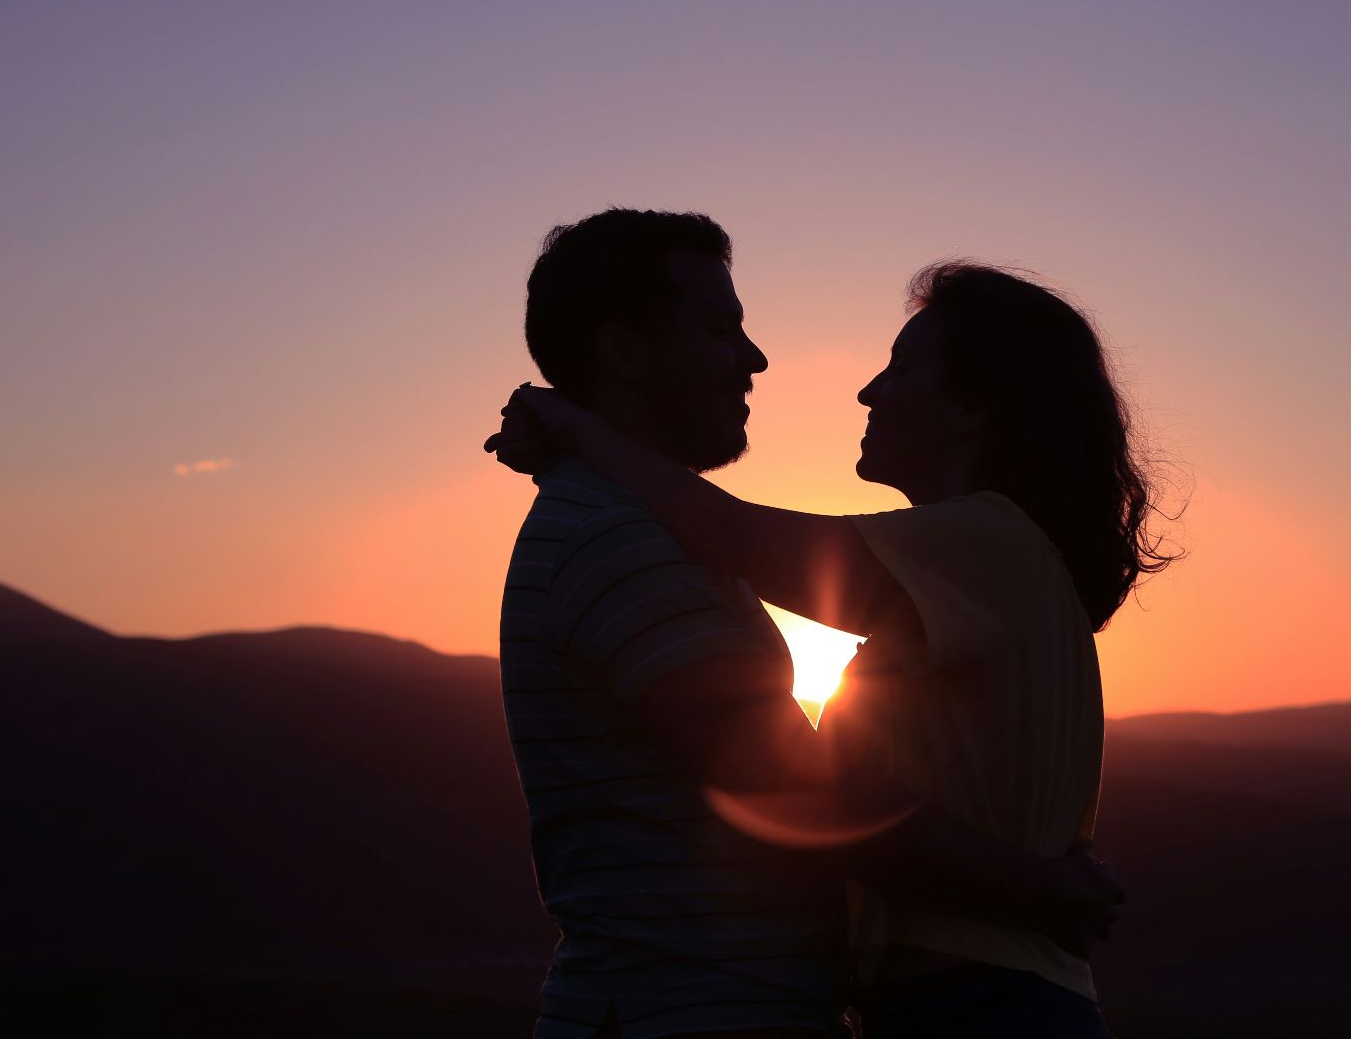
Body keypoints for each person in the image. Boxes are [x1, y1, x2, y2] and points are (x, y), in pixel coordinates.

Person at [491, 256, 1177, 1037]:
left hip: (985, 1007)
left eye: (900, 368)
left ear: (970, 412)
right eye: (724, 328)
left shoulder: (989, 543)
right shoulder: (972, 564)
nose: (868, 391)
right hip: (959, 1002)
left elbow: (740, 535)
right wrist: (1034, 887)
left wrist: (578, 434)